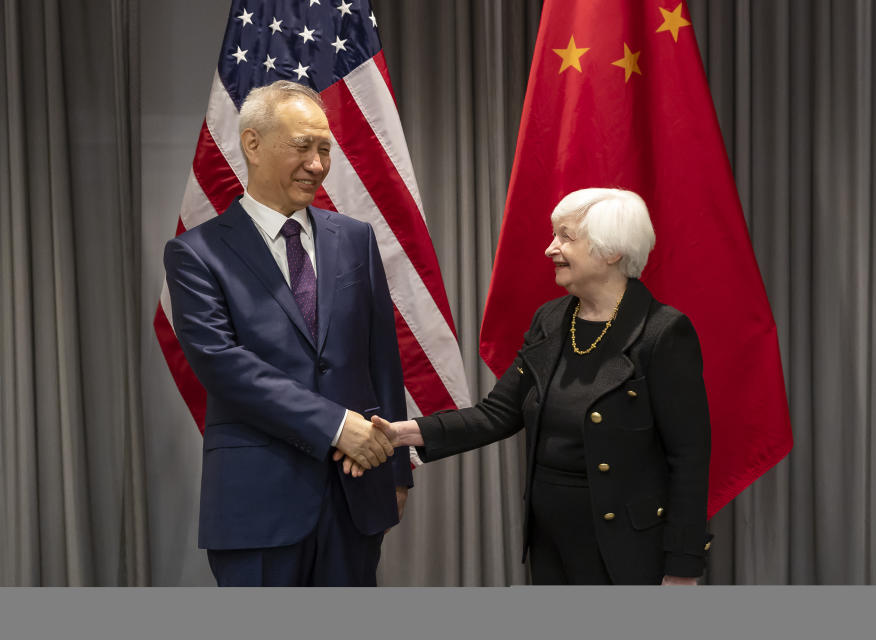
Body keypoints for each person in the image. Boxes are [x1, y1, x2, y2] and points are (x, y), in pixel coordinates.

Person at [346, 188, 711, 585]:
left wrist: (682, 567)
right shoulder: (551, 319)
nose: (550, 249)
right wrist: (400, 433)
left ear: (611, 251)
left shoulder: (663, 332)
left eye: (566, 237)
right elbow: (498, 413)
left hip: (627, 547)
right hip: (550, 541)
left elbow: (689, 458)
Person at [163, 80, 410, 587]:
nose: (318, 164)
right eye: (303, 146)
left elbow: (381, 357)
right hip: (258, 503)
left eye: (325, 149)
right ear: (252, 144)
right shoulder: (196, 254)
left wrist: (395, 470)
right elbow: (223, 366)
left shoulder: (356, 239)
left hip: (356, 493)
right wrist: (339, 426)